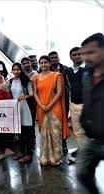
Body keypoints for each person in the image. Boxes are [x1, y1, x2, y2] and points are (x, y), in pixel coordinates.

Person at [77, 33, 104, 194]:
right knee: (82, 173)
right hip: (91, 137)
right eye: (83, 53)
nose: (85, 57)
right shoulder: (87, 75)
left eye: (90, 53)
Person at [32, 55, 69, 166]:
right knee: (44, 134)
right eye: (41, 63)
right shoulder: (36, 77)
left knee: (55, 133)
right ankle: (45, 158)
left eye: (45, 62)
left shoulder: (56, 75)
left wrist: (49, 105)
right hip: (41, 108)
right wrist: (41, 105)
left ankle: (56, 158)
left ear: (49, 63)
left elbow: (59, 92)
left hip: (55, 107)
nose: (43, 64)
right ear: (39, 64)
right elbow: (35, 93)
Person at [10, 63, 34, 163]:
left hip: (25, 107)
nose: (16, 71)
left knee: (27, 132)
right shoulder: (11, 81)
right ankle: (21, 152)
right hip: (16, 108)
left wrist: (23, 97)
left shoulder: (26, 80)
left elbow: (31, 94)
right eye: (14, 70)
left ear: (21, 70)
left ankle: (28, 154)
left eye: (18, 69)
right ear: (12, 71)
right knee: (20, 132)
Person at [48, 51, 70, 154]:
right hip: (50, 101)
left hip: (63, 100)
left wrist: (60, 89)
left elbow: (69, 85)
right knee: (52, 123)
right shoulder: (45, 70)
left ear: (58, 58)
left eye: (55, 57)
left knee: (63, 122)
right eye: (51, 58)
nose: (54, 59)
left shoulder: (65, 69)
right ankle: (54, 144)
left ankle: (63, 144)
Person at [66, 47, 85, 158]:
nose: (77, 56)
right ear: (71, 57)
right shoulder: (68, 71)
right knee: (77, 130)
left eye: (79, 54)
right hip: (73, 104)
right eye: (74, 54)